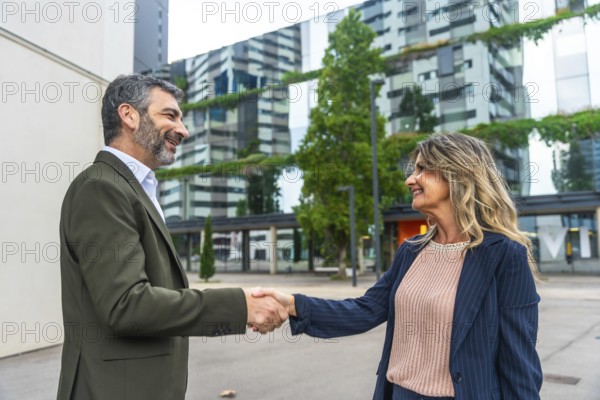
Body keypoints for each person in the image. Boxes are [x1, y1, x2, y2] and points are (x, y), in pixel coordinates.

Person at [256, 132, 543, 399]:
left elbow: (518, 362)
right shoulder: (410, 251)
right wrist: (292, 304)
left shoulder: (504, 255)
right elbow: (364, 310)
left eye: (422, 169)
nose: (410, 180)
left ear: (458, 175)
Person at [57, 74, 288, 400]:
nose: (183, 130)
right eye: (170, 115)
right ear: (129, 116)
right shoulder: (102, 188)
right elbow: (126, 306)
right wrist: (240, 306)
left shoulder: (134, 188)